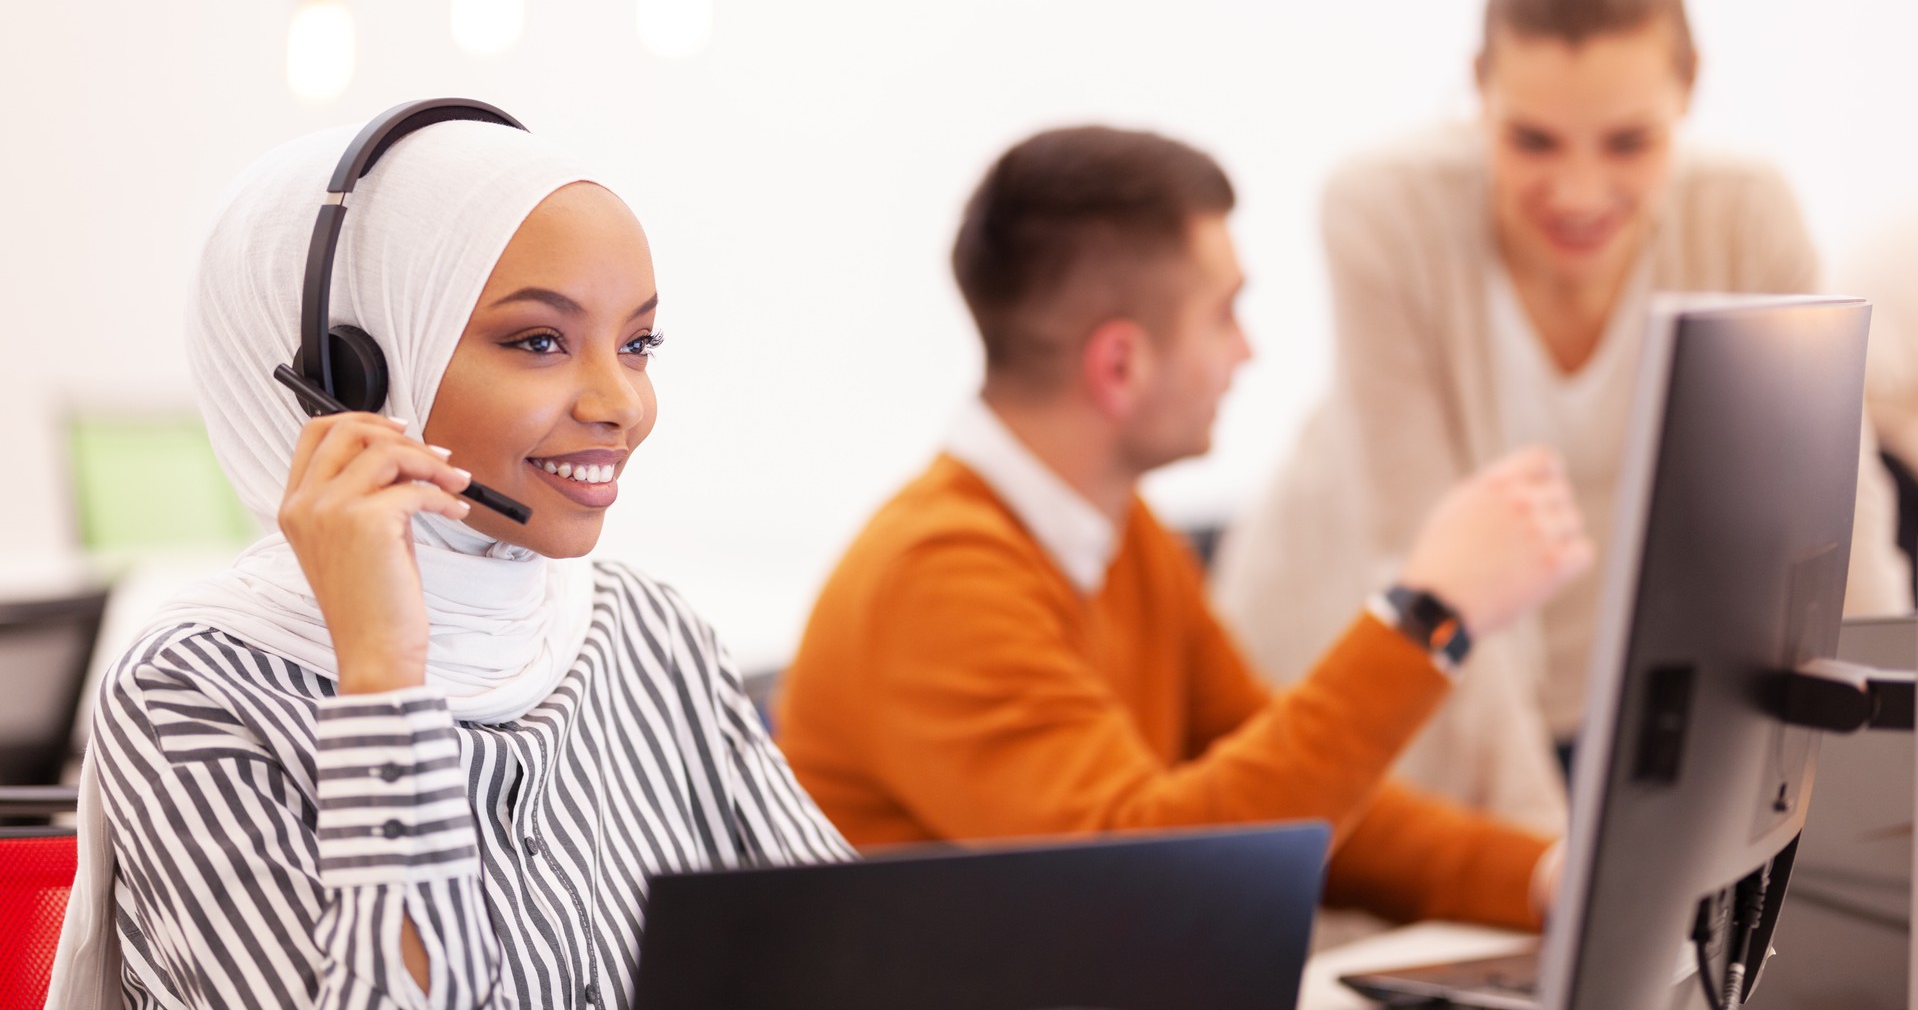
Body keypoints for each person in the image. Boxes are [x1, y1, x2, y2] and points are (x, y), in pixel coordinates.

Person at [50, 115, 848, 1009]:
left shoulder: (644, 627)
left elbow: (861, 953)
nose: (622, 402)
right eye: (539, 341)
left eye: (638, 344)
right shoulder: (195, 693)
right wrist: (385, 677)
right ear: (352, 384)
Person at [1212, 0, 1910, 836]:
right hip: (1394, 672)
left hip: (1617, 688)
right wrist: (1558, 877)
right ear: (1478, 91)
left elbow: (1836, 520)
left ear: (1688, 93)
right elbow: (1427, 560)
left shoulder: (1747, 216)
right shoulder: (1383, 210)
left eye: (1628, 143)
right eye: (1532, 140)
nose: (1579, 192)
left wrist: (1890, 804)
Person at [776, 125, 1594, 930]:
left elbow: (1294, 808)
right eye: (1226, 314)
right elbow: (1149, 882)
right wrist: (1426, 616)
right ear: (1120, 365)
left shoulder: (1121, 536)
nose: (1249, 352)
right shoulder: (937, 578)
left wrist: (1546, 879)